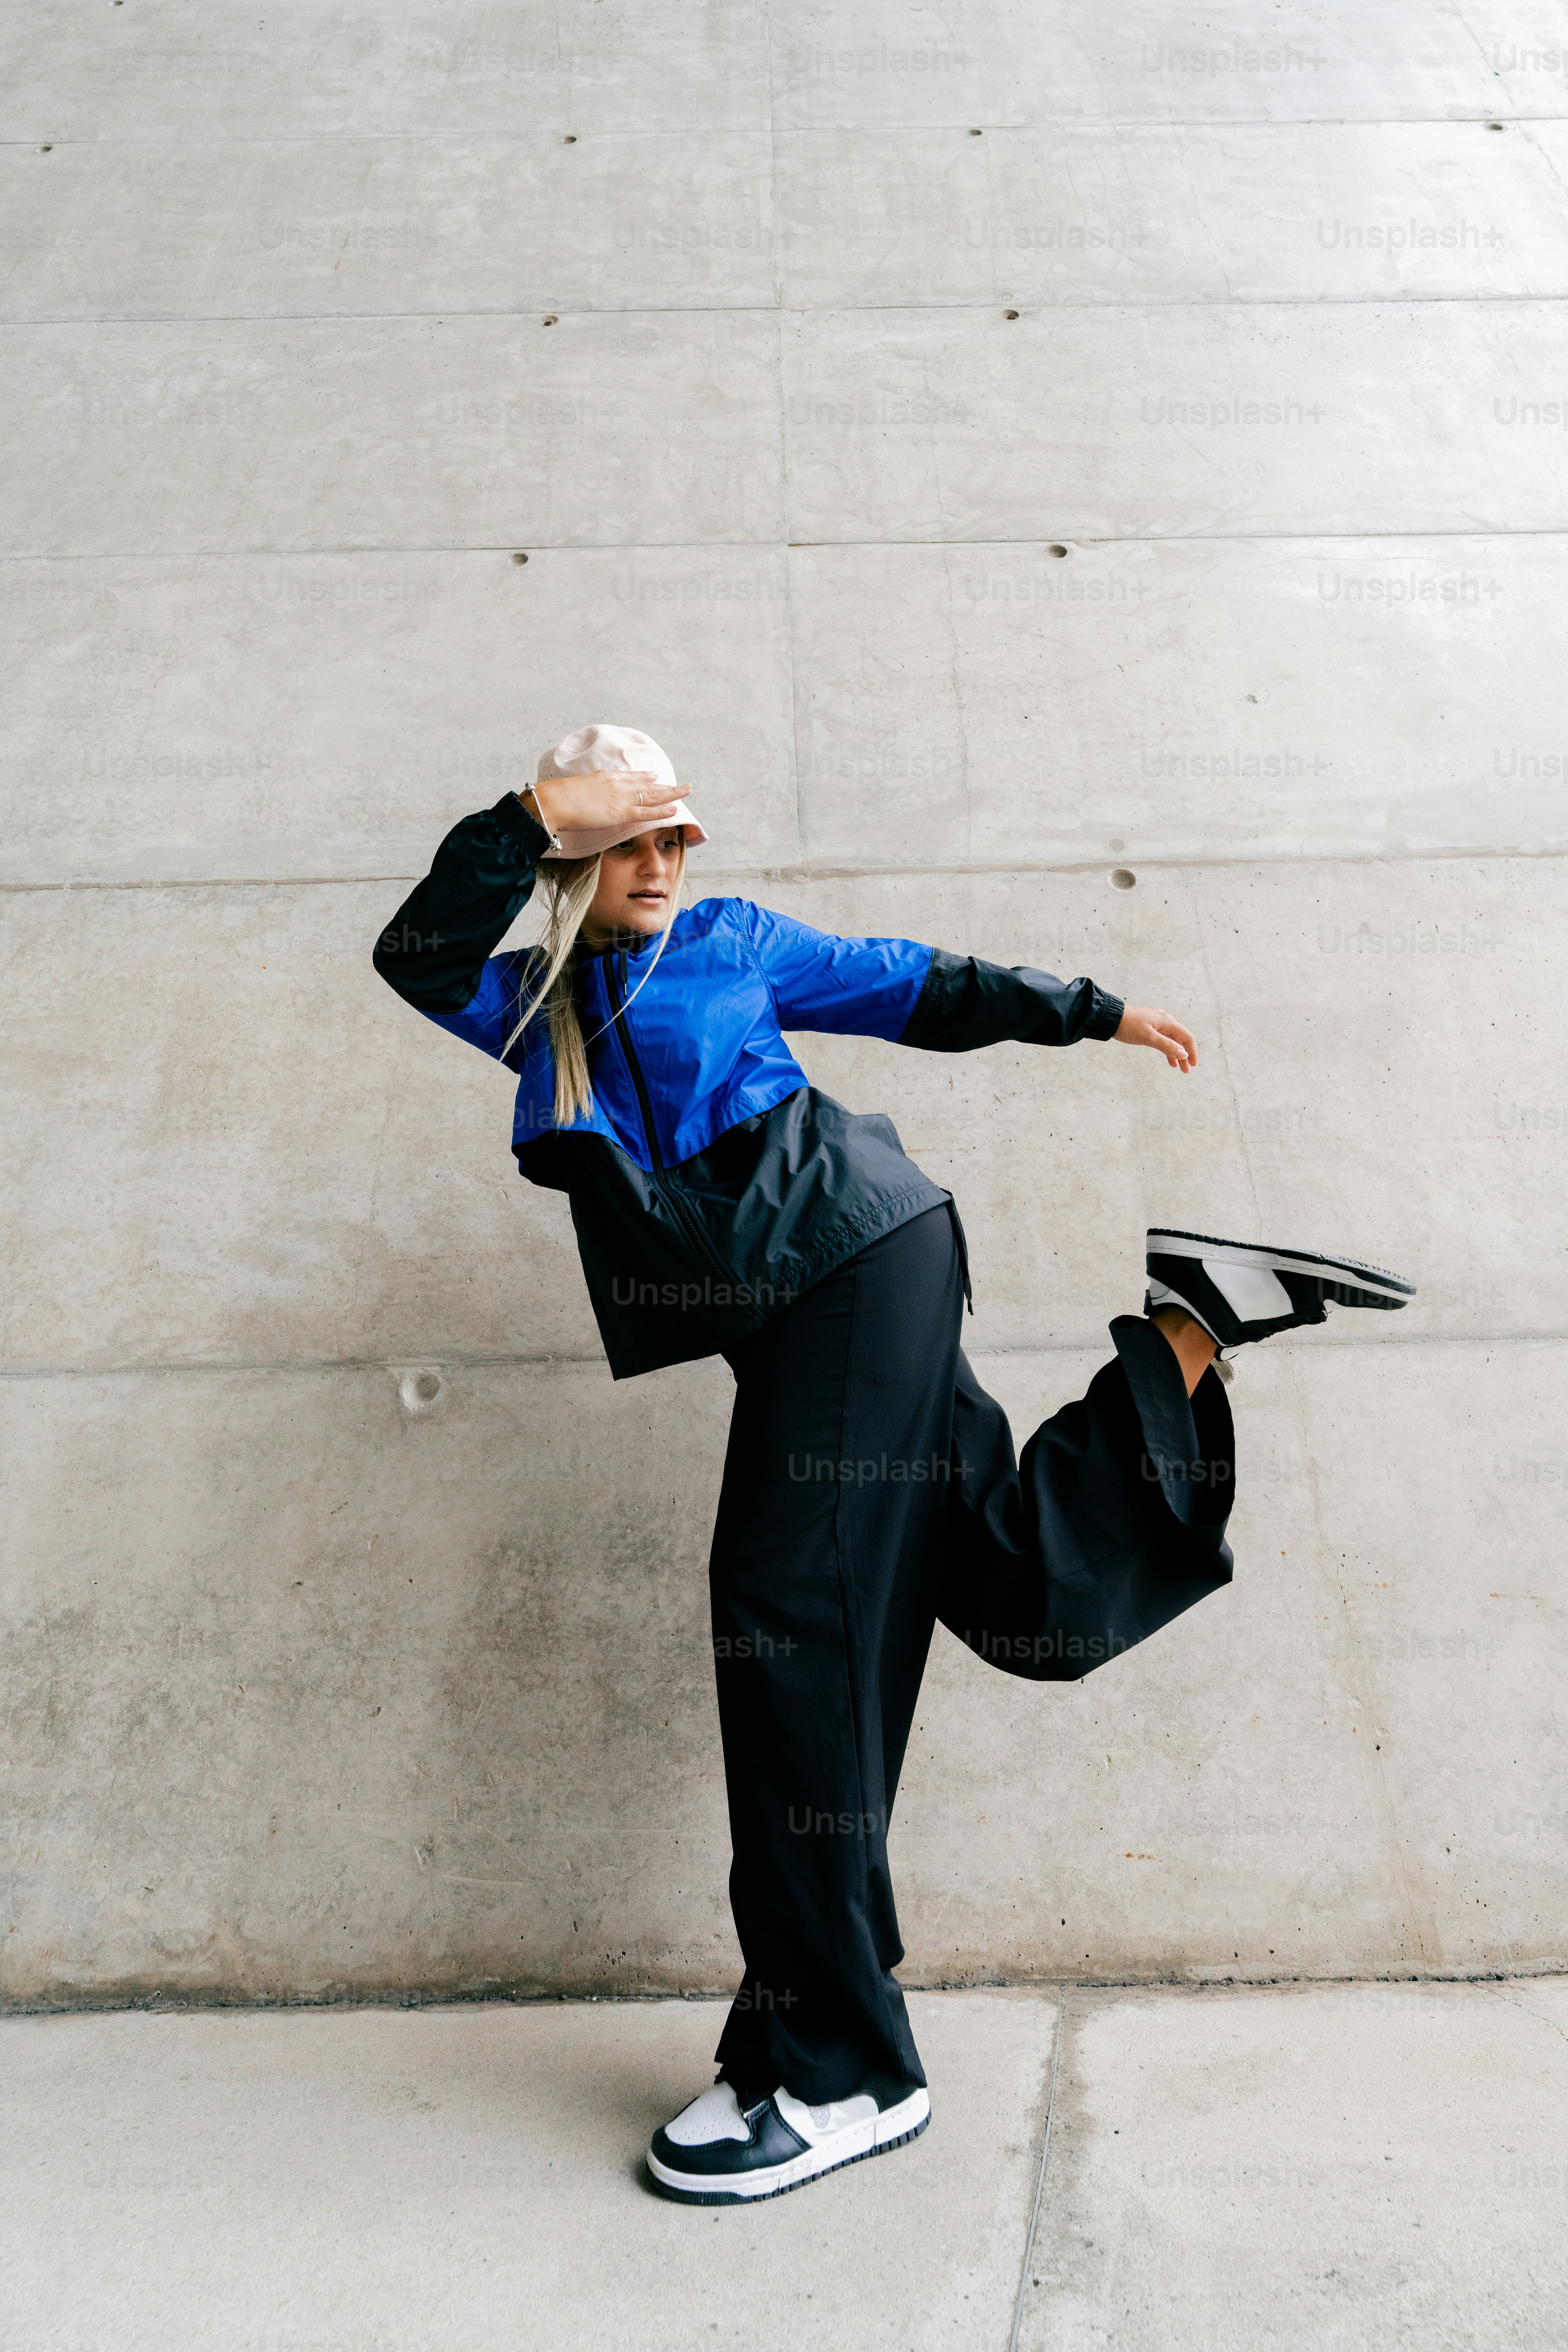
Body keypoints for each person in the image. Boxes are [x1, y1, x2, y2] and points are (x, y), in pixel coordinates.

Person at [372, 722, 1414, 2206]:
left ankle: (844, 2069)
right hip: (821, 1303)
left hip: (855, 1261)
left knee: (785, 1618)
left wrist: (1094, 1011)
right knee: (1003, 1580)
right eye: (623, 841)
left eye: (674, 839)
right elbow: (415, 955)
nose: (659, 866)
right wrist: (528, 809)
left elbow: (912, 980)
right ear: (567, 854)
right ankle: (1192, 1325)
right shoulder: (530, 1004)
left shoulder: (733, 942)